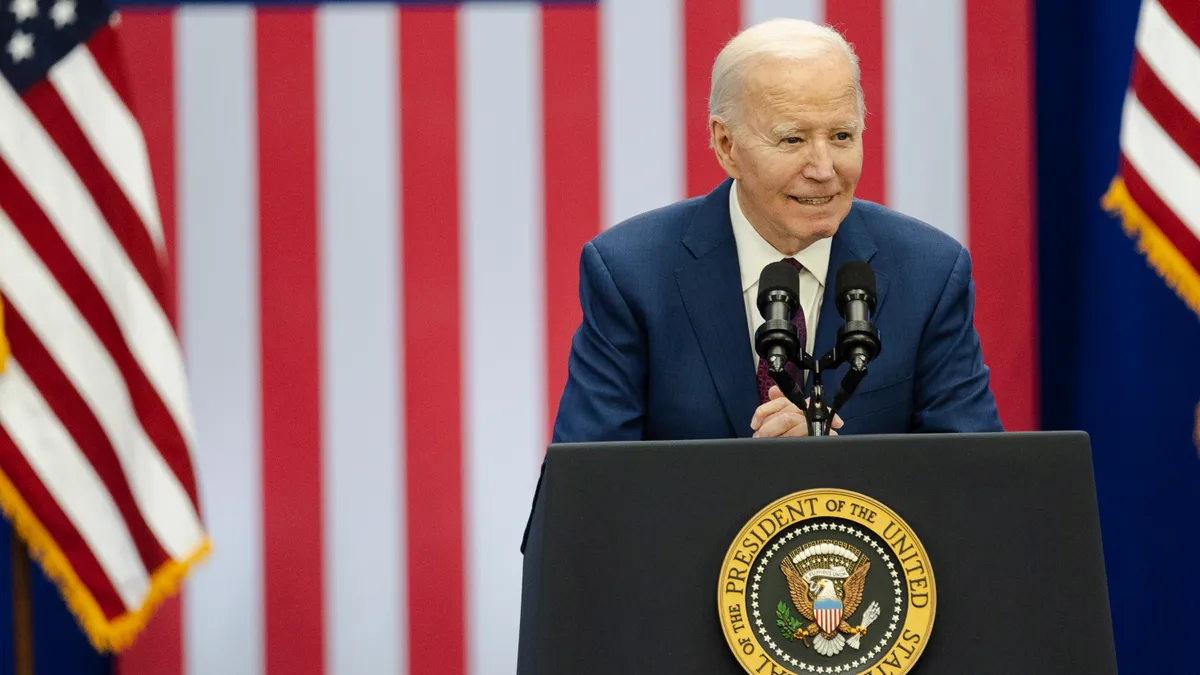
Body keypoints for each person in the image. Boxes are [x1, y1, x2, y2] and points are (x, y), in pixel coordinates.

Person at [553, 18, 1004, 444]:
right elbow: (590, 488)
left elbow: (975, 480)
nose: (825, 169)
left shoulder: (929, 272)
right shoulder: (632, 273)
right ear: (727, 145)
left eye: (843, 136)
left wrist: (839, 463)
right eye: (793, 139)